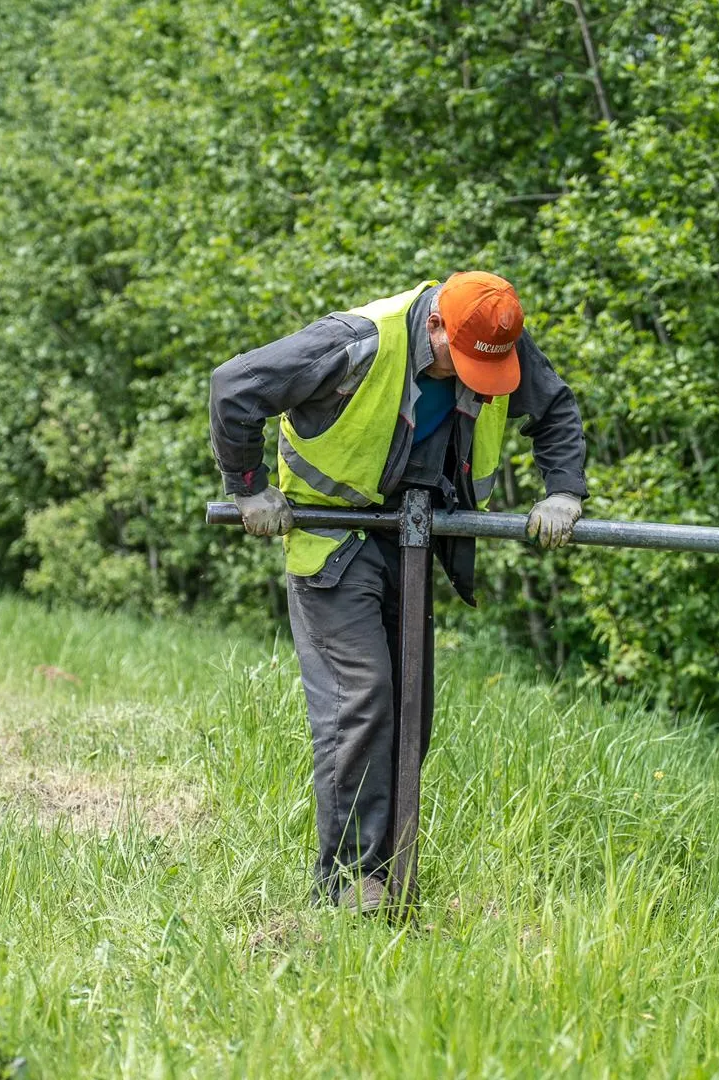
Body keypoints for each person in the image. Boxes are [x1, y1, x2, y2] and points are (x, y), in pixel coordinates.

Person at [209, 272, 589, 912]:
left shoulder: (495, 339)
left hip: (412, 540)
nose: (473, 377)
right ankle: (348, 884)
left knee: (412, 707)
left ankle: (387, 877)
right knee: (365, 697)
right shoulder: (358, 342)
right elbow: (235, 386)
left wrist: (564, 491)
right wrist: (249, 488)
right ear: (436, 322)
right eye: (459, 362)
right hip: (334, 539)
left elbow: (553, 409)